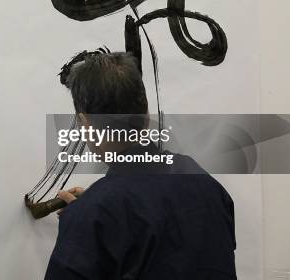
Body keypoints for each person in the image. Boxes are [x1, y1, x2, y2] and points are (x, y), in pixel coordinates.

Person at [45, 51, 237, 280]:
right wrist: (100, 209)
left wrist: (93, 214)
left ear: (85, 122)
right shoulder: (204, 183)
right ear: (145, 112)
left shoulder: (92, 216)